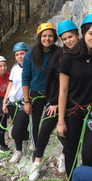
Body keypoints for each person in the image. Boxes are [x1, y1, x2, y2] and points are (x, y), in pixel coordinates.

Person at [56, 12, 92, 181]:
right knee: (71, 149)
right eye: (91, 33)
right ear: (84, 33)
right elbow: (63, 91)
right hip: (73, 110)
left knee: (89, 151)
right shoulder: (68, 58)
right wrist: (60, 121)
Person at [29, 20, 80, 181]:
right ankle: (37, 163)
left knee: (67, 136)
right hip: (58, 101)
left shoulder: (84, 53)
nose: (68, 41)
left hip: (76, 103)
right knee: (44, 128)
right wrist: (53, 102)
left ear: (77, 36)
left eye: (70, 37)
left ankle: (65, 156)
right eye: (64, 39)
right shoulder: (59, 54)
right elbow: (52, 80)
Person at [22, 23, 58, 153]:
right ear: (39, 37)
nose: (47, 38)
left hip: (52, 94)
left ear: (54, 37)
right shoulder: (30, 55)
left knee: (50, 123)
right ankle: (36, 151)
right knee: (35, 124)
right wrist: (26, 102)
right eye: (44, 36)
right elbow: (25, 78)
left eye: (50, 36)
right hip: (35, 93)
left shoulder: (58, 53)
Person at [2, 42, 30, 163]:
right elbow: (10, 84)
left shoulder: (33, 68)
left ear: (27, 54)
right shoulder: (14, 68)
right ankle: (18, 151)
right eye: (17, 54)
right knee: (17, 128)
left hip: (25, 104)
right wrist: (5, 101)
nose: (19, 56)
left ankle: (34, 138)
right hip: (12, 102)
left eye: (22, 54)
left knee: (16, 132)